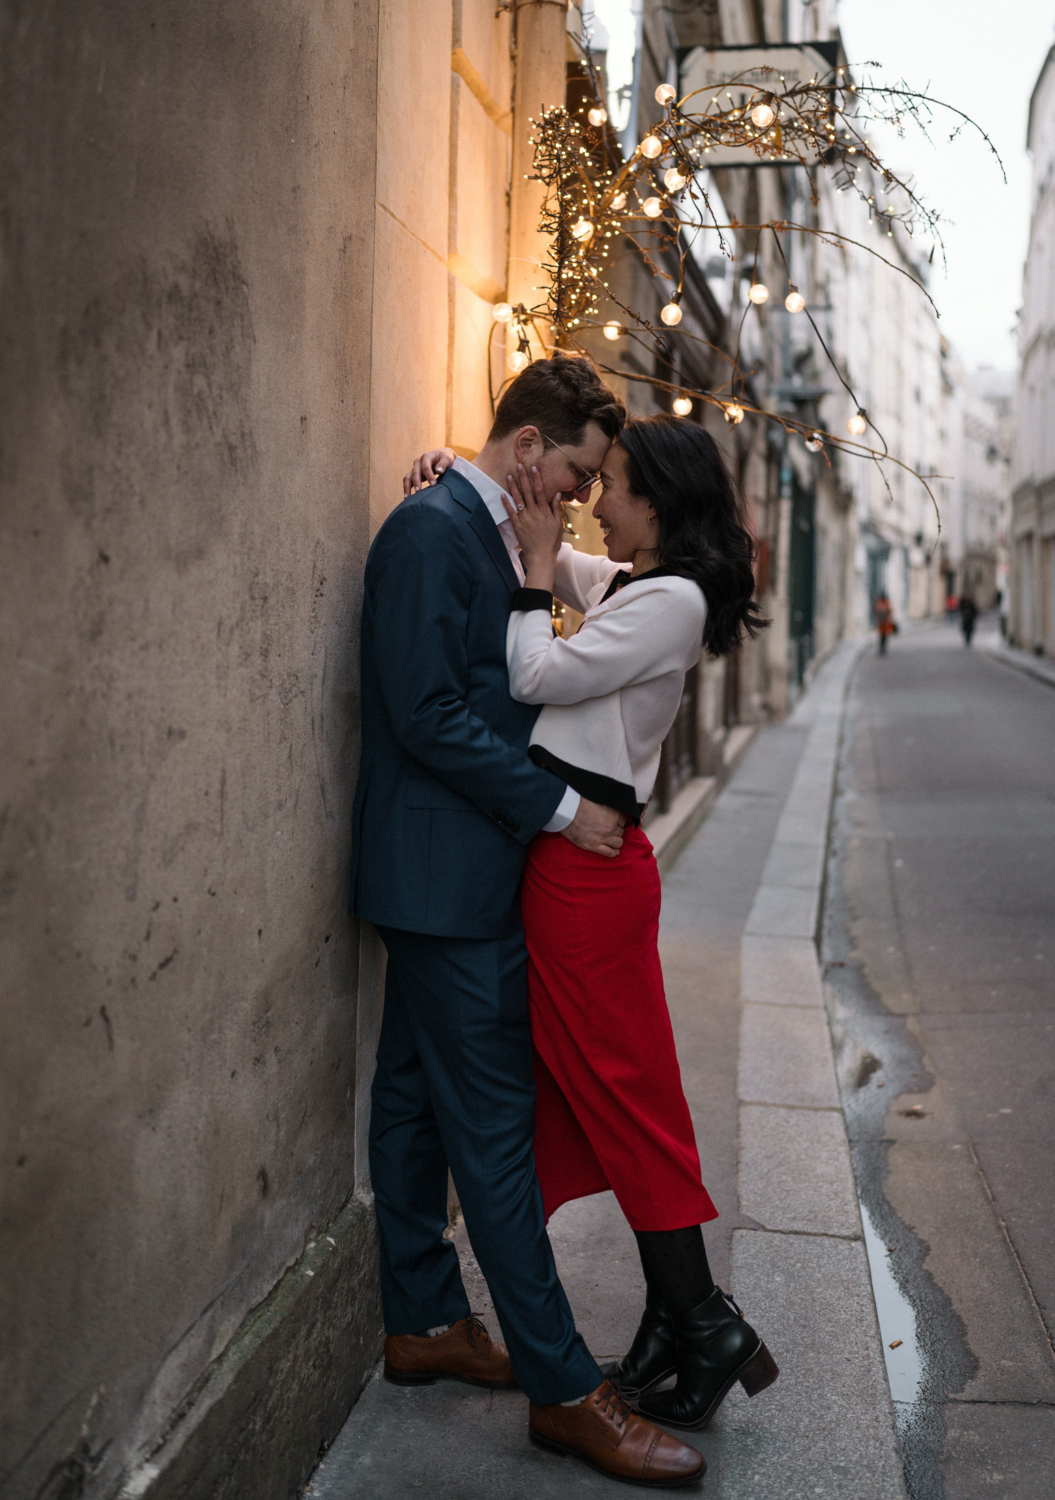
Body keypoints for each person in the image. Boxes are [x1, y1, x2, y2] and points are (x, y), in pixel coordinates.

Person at [352, 354, 704, 1489]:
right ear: (525, 455)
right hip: (443, 878)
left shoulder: (496, 524)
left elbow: (539, 607)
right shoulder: (426, 536)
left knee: (410, 1098)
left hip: (458, 875)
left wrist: (474, 476)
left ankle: (421, 1322)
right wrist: (558, 809)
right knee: (494, 1135)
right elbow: (425, 712)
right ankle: (563, 1389)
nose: (580, 492)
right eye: (573, 470)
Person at [411, 415, 779, 1434]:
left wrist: (529, 575)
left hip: (587, 877)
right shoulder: (640, 586)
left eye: (609, 484)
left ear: (654, 501)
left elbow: (537, 672)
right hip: (575, 867)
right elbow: (555, 549)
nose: (592, 501)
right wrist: (467, 473)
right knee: (603, 1091)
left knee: (621, 1094)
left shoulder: (667, 601)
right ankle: (680, 1322)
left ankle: (703, 1322)